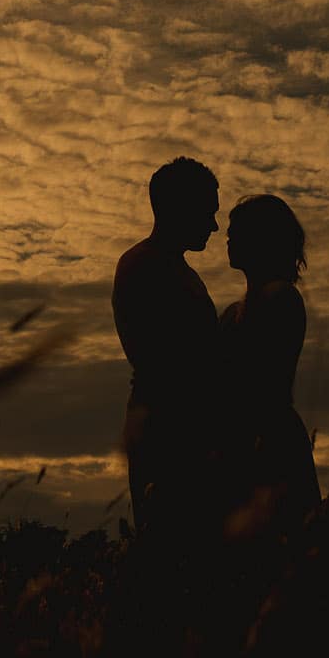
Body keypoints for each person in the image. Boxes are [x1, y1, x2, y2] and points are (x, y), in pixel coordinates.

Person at [111, 156, 221, 546]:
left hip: (183, 429)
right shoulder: (145, 265)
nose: (214, 225)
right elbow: (166, 359)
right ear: (180, 208)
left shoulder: (178, 270)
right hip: (169, 433)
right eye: (207, 212)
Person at [215, 194, 321, 540]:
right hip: (245, 444)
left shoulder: (281, 299)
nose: (228, 238)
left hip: (269, 444)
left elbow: (258, 381)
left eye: (237, 231)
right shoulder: (235, 311)